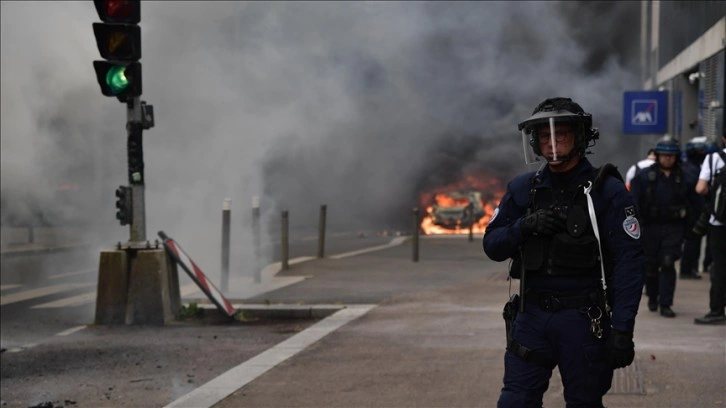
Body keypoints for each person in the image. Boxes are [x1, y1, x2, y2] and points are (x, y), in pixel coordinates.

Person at [483, 97, 645, 407]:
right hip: (531, 318)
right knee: (514, 401)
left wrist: (623, 328)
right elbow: (492, 245)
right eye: (545, 135)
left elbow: (629, 263)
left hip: (583, 320)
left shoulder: (605, 191)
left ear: (580, 136)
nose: (552, 142)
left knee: (583, 402)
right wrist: (524, 227)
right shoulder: (523, 189)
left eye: (562, 134)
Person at [630, 137, 702, 318]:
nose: (667, 159)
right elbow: (633, 204)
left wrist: (693, 229)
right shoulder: (644, 176)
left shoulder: (685, 177)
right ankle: (653, 297)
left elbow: (695, 204)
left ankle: (666, 303)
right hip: (650, 228)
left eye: (671, 155)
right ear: (658, 155)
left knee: (668, 263)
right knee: (651, 267)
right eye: (664, 155)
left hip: (673, 227)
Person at [693, 133, 726, 325]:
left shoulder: (713, 159)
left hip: (718, 223)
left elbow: (700, 188)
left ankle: (716, 310)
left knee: (720, 268)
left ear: (723, 138)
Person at [679, 137, 710, 280]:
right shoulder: (691, 169)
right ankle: (687, 269)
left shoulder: (692, 166)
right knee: (692, 241)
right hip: (692, 210)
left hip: (693, 209)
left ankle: (691, 267)